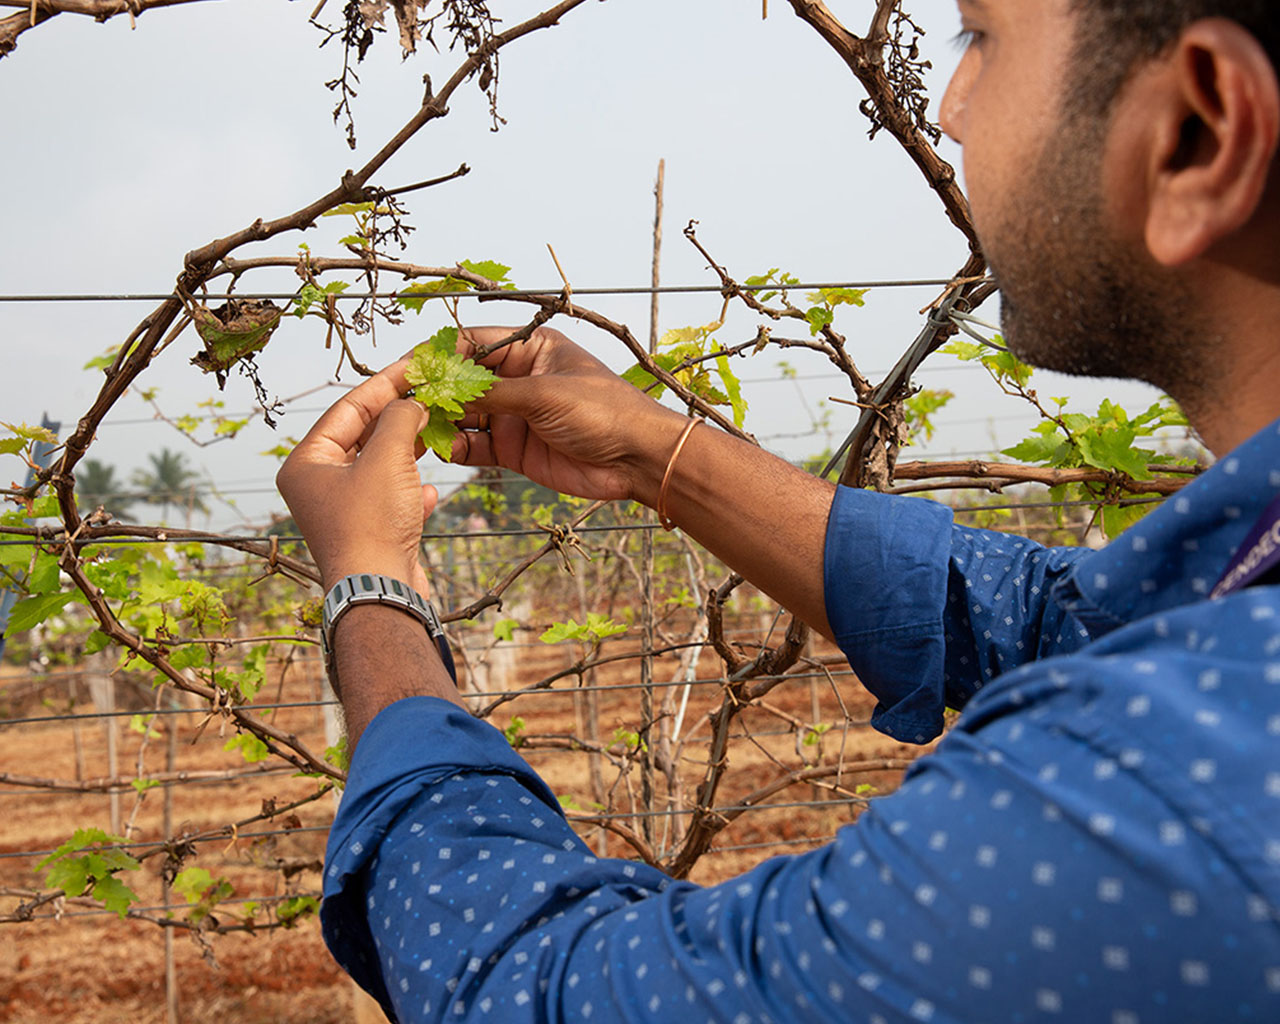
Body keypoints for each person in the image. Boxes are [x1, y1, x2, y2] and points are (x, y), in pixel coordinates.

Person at [277, 0, 1280, 1020]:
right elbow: (1055, 624)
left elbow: (540, 992)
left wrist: (372, 586)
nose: (950, 107)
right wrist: (650, 448)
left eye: (978, 38)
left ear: (1200, 128)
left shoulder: (1163, 801)